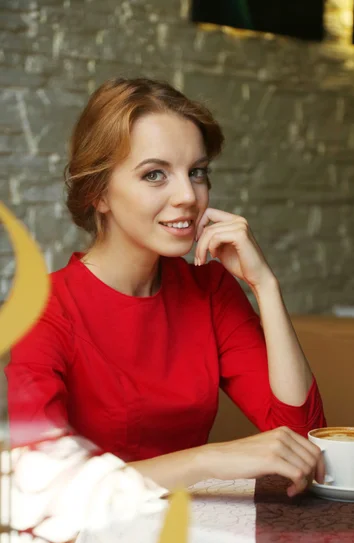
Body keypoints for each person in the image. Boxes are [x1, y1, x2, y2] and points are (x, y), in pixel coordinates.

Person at [6, 77, 326, 498]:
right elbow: (43, 485)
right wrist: (206, 460)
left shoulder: (209, 288)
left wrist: (265, 285)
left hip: (188, 536)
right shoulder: (44, 309)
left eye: (197, 172)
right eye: (155, 174)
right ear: (98, 192)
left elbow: (303, 439)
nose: (188, 196)